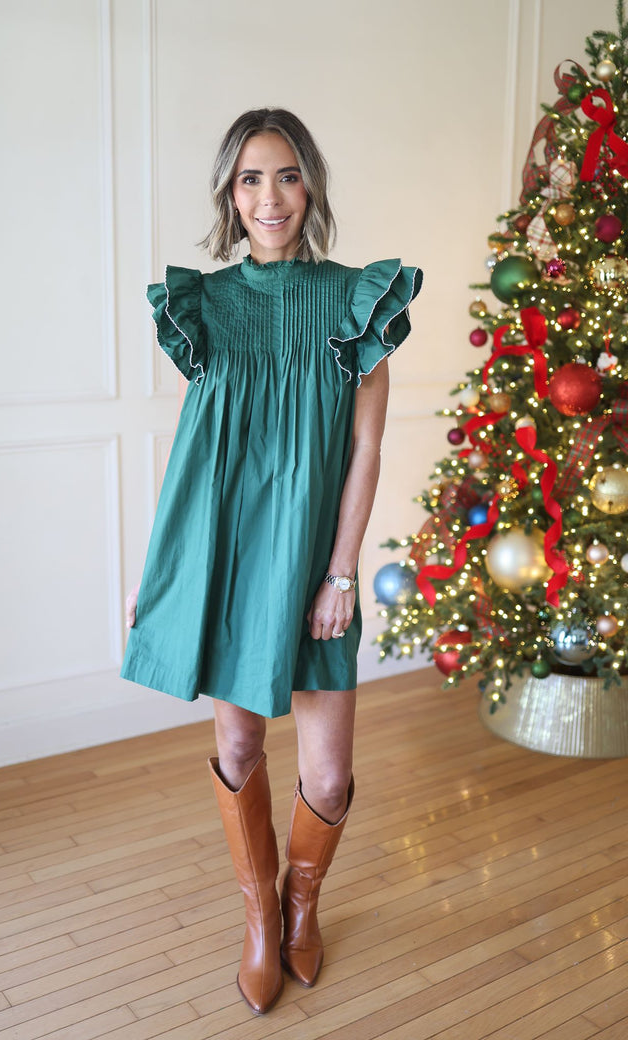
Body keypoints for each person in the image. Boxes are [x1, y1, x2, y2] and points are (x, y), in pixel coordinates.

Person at [121, 107, 422, 1015]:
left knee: (326, 774)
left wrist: (340, 573)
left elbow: (365, 451)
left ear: (311, 185)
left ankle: (303, 906)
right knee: (241, 741)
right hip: (231, 560)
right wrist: (166, 579)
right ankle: (259, 919)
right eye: (250, 178)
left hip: (317, 566)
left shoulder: (356, 302)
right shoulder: (203, 307)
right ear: (229, 193)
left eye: (286, 174)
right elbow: (200, 457)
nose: (269, 195)